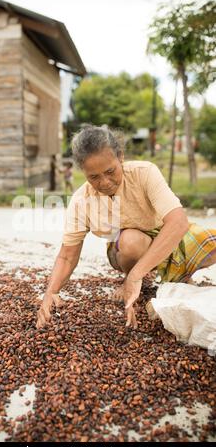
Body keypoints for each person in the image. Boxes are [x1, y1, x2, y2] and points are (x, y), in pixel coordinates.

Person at [36, 125, 216, 330]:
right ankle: (132, 277)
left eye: (110, 171)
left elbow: (178, 223)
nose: (104, 182)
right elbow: (67, 256)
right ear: (83, 173)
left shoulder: (144, 173)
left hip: (164, 235)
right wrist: (50, 293)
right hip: (125, 248)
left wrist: (136, 275)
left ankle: (169, 275)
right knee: (130, 240)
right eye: (93, 177)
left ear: (120, 157)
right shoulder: (81, 201)